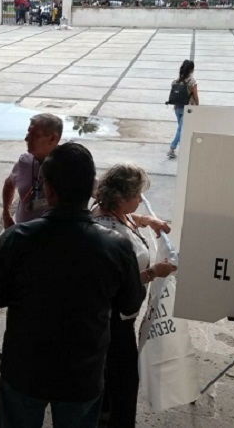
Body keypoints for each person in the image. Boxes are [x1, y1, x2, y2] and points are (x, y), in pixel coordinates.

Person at [0, 142, 145, 428]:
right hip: (83, 375)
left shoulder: (17, 238)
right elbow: (130, 304)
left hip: (25, 370)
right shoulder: (116, 246)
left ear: (49, 189)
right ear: (92, 188)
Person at [90, 164, 176, 428]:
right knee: (125, 376)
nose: (140, 200)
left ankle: (103, 409)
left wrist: (147, 220)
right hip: (114, 318)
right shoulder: (111, 236)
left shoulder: (104, 210)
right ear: (120, 198)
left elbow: (128, 219)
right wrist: (153, 272)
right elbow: (115, 284)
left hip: (120, 313)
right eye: (137, 195)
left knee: (107, 368)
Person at [2, 113, 62, 229]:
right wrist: (6, 213)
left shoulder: (69, 163)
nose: (27, 139)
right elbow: (9, 184)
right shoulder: (24, 162)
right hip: (23, 232)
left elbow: (94, 190)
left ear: (53, 139)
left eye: (35, 135)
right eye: (29, 132)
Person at [168, 59, 198, 159]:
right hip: (188, 108)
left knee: (181, 129)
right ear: (191, 70)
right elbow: (195, 96)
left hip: (177, 107)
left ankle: (184, 147)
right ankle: (172, 148)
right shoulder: (192, 82)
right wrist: (197, 106)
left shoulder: (176, 81)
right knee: (181, 129)